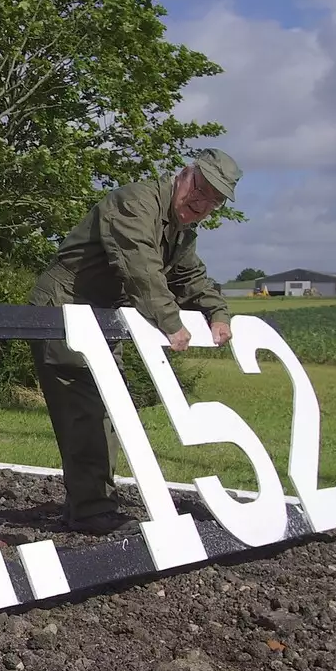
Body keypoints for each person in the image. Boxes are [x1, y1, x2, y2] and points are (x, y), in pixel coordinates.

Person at [29, 149, 242, 533]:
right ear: (184, 173)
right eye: (201, 188)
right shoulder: (136, 202)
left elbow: (189, 277)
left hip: (102, 318)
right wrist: (170, 321)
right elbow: (139, 266)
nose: (202, 202)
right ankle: (91, 511)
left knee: (110, 406)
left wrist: (217, 312)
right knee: (87, 409)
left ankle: (92, 504)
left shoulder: (179, 232)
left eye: (214, 199)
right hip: (64, 308)